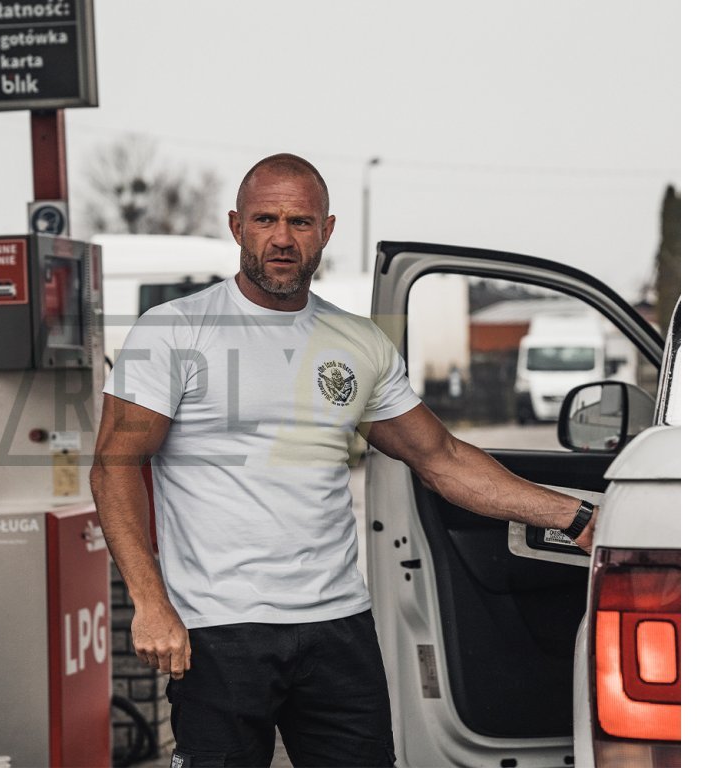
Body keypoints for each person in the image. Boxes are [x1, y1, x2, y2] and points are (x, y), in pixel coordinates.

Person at [90, 153, 597, 767]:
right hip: (219, 627)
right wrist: (149, 602)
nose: (282, 238)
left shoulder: (358, 341)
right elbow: (114, 466)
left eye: (301, 222)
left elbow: (440, 457)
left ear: (326, 230)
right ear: (236, 226)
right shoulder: (174, 331)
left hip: (337, 626)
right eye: (265, 220)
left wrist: (574, 515)